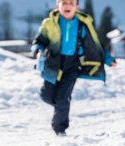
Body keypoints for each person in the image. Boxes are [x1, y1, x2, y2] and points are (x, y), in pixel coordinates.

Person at [32, 0, 117, 136]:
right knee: (46, 96)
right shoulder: (49, 23)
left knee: (62, 98)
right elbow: (39, 40)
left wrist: (108, 59)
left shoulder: (82, 25)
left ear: (77, 7)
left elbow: (95, 45)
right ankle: (62, 105)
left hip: (72, 65)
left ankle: (60, 128)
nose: (67, 6)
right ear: (57, 6)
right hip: (52, 63)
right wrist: (38, 50)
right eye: (64, 2)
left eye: (71, 3)